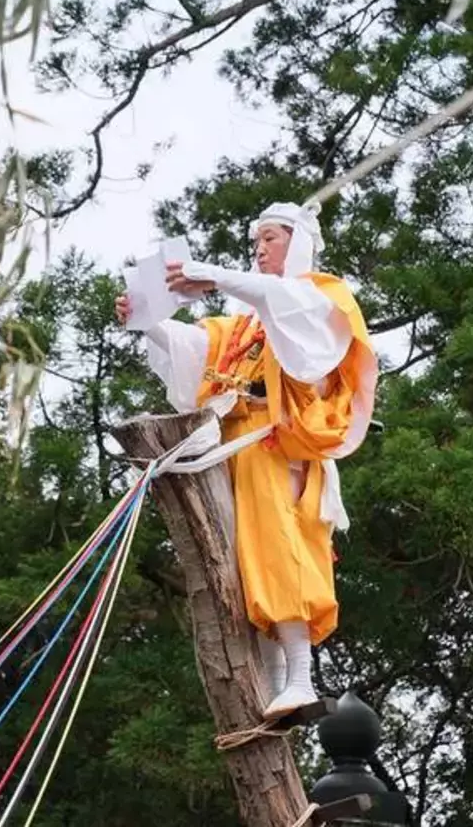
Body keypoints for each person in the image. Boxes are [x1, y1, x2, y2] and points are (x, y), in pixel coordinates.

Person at [115, 201, 378, 719]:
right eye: (255, 240)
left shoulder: (321, 299)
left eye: (271, 239)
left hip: (278, 446)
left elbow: (285, 304)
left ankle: (300, 676)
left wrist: (208, 276)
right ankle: (276, 684)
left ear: (298, 241)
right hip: (232, 444)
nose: (259, 249)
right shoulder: (247, 322)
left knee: (280, 549)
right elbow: (200, 349)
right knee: (239, 561)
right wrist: (147, 322)